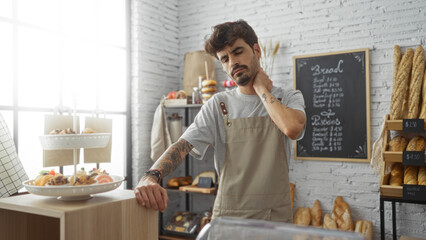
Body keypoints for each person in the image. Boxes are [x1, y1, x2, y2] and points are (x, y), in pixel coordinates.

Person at [134, 19, 306, 223]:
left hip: (275, 219)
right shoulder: (218, 104)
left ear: (257, 51)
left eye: (237, 52)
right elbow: (182, 146)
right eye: (224, 59)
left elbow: (292, 128)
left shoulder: (287, 98)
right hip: (229, 219)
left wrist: (261, 89)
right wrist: (150, 176)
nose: (232, 62)